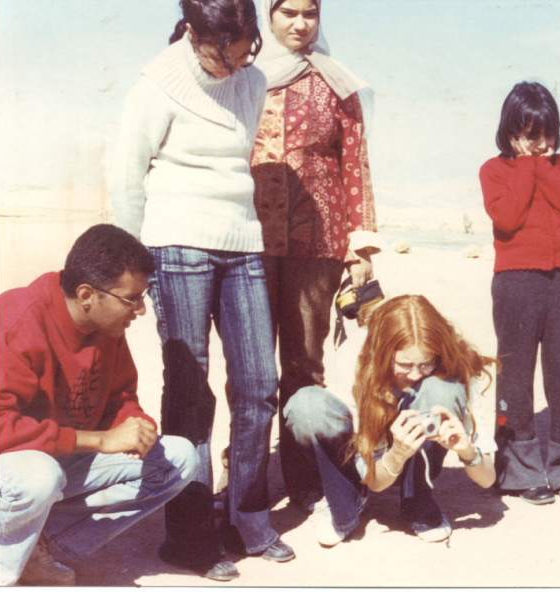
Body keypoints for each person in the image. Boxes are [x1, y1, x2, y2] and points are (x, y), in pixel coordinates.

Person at [108, 0, 291, 581]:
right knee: (191, 390)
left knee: (259, 385)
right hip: (174, 243)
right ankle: (189, 537)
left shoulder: (253, 80)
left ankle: (247, 516)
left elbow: (237, 161)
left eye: (243, 55)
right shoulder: (157, 82)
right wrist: (131, 265)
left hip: (242, 242)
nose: (234, 68)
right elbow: (126, 173)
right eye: (221, 57)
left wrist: (240, 66)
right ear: (192, 33)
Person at [0, 224, 198, 587]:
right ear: (87, 294)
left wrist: (136, 425)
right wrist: (101, 440)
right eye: (131, 299)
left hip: (53, 457)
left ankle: (35, 547)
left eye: (143, 297)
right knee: (39, 476)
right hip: (14, 465)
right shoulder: (17, 320)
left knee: (178, 458)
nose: (141, 309)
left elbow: (121, 399)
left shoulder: (106, 327)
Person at [250, 0, 383, 513]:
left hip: (319, 242)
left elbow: (355, 163)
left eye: (310, 13)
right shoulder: (244, 76)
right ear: (269, 15)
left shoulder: (335, 81)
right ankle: (246, 476)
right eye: (289, 12)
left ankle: (304, 476)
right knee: (250, 366)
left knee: (304, 364)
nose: (300, 23)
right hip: (249, 241)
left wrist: (360, 247)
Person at [283, 295, 497, 547]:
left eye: (426, 364)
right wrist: (397, 454)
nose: (415, 375)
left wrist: (467, 451)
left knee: (440, 389)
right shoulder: (355, 353)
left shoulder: (455, 361)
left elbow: (487, 478)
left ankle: (417, 500)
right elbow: (376, 482)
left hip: (408, 445)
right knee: (307, 405)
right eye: (404, 364)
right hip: (374, 453)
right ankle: (348, 496)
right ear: (383, 353)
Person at [479, 81, 560, 505]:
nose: (543, 143)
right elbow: (508, 218)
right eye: (532, 135)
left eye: (548, 133)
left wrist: (543, 168)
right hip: (515, 282)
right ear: (512, 132)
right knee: (515, 375)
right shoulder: (494, 170)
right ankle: (519, 471)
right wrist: (528, 166)